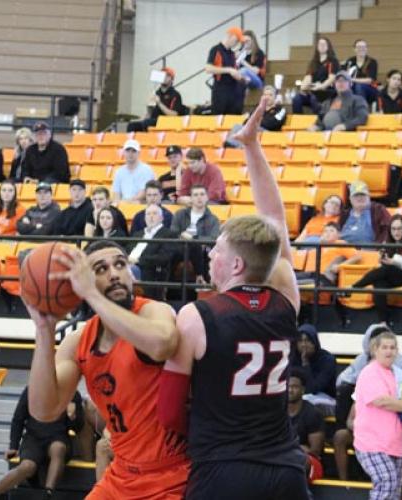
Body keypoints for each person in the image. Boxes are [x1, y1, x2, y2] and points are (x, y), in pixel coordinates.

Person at [158, 97, 309, 500]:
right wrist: (252, 147)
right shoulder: (286, 300)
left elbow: (169, 413)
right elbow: (275, 224)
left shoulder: (196, 315)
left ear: (238, 266)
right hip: (285, 469)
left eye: (218, 250)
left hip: (222, 470)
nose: (210, 254)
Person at [25, 240, 189, 499]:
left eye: (120, 265)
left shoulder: (153, 312)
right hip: (122, 473)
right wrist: (44, 332)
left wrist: (91, 294)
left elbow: (162, 344)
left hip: (172, 474)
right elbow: (44, 410)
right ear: (81, 282)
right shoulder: (80, 341)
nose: (113, 274)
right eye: (100, 269)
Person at [0, 387, 84, 500]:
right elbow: (18, 418)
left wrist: (72, 417)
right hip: (34, 438)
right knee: (27, 466)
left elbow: (78, 427)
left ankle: (48, 493)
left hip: (58, 437)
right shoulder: (32, 389)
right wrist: (13, 446)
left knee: (58, 448)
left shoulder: (71, 392)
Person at [354, 330, 402, 500]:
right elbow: (381, 401)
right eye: (384, 347)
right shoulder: (370, 372)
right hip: (372, 442)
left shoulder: (392, 373)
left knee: (394, 491)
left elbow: (394, 402)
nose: (389, 351)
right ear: (374, 350)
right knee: (386, 482)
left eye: (392, 347)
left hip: (393, 442)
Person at [348, 214, 402, 332]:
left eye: (399, 229)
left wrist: (395, 263)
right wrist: (382, 260)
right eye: (393, 229)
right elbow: (384, 267)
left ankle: (354, 287)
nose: (396, 232)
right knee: (379, 282)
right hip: (392, 276)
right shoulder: (388, 242)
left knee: (387, 269)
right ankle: (383, 323)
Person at [335, 324, 402, 438]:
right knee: (344, 389)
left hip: (388, 395)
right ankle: (343, 427)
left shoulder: (400, 361)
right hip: (363, 393)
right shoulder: (361, 358)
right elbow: (342, 379)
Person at [171, 185, 220, 284]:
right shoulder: (180, 214)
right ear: (191, 198)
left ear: (207, 198)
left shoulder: (213, 219)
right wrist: (182, 236)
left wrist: (193, 238)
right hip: (181, 248)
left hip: (203, 251)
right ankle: (167, 287)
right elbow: (173, 233)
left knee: (197, 247)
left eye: (202, 194)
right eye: (196, 195)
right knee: (168, 254)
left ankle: (202, 282)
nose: (199, 197)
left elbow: (213, 238)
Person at [127, 204, 178, 299]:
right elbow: (126, 250)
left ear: (161, 218)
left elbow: (163, 258)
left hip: (149, 270)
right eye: (148, 214)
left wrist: (138, 260)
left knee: (130, 271)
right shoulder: (137, 234)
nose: (151, 216)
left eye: (154, 213)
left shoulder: (168, 234)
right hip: (128, 265)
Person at [295, 222, 361, 287]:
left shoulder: (340, 243)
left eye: (331, 231)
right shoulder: (319, 246)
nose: (327, 233)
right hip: (309, 274)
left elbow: (357, 257)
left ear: (339, 234)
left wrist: (340, 266)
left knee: (293, 283)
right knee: (289, 278)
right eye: (325, 231)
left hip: (323, 278)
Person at [291, 323, 337, 415]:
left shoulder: (327, 360)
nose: (304, 345)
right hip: (299, 396)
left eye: (308, 340)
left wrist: (306, 364)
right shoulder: (293, 358)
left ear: (315, 342)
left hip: (325, 398)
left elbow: (314, 388)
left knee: (305, 403)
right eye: (300, 341)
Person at [288, 368, 325, 483]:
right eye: (287, 386)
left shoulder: (313, 413)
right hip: (285, 455)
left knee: (295, 461)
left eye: (294, 387)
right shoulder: (277, 412)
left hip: (311, 462)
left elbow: (315, 451)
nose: (290, 390)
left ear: (303, 390)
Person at [127, 67, 185, 132]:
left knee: (147, 123)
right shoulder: (156, 93)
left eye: (167, 75)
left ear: (171, 79)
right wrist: (149, 109)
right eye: (162, 75)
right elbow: (148, 116)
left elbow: (174, 115)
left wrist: (159, 103)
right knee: (131, 125)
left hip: (165, 122)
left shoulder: (175, 94)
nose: (164, 77)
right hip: (152, 121)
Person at [292, 37, 340, 114]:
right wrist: (303, 86)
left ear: (328, 46)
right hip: (314, 90)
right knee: (297, 98)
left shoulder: (333, 61)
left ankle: (318, 122)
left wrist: (321, 86)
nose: (322, 46)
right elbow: (308, 78)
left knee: (314, 98)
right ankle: (298, 120)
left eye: (324, 44)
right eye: (320, 44)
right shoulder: (313, 62)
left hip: (327, 91)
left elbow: (332, 78)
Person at [205, 26, 246, 115]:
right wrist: (229, 70)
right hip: (220, 91)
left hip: (232, 92)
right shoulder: (216, 50)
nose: (237, 43)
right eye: (237, 40)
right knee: (219, 119)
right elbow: (208, 68)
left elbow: (234, 71)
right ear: (231, 36)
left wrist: (240, 77)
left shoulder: (231, 54)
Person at [342, 39, 379, 105]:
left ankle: (361, 110)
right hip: (352, 87)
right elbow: (345, 76)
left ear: (366, 49)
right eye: (359, 47)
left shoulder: (372, 62)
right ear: (354, 49)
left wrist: (352, 79)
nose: (361, 49)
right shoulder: (350, 61)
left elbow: (369, 80)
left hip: (370, 89)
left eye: (363, 47)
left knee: (359, 87)